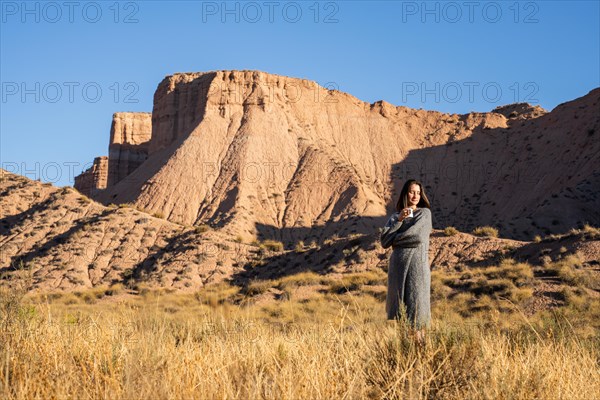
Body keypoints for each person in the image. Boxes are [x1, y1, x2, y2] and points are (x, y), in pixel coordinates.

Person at [380, 178, 432, 332]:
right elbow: (384, 241)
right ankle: (407, 353)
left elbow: (417, 237)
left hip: (417, 266)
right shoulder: (395, 217)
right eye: (412, 192)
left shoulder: (424, 213)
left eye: (418, 193)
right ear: (405, 194)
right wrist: (399, 220)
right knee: (401, 317)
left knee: (418, 314)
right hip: (397, 269)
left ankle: (423, 352)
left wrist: (395, 240)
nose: (415, 196)